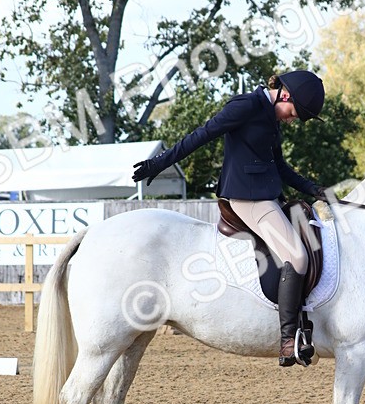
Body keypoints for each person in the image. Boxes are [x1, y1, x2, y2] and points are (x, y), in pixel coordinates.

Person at [133, 70, 328, 367]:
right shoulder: (246, 106)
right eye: (295, 113)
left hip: (268, 196)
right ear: (285, 95)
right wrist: (159, 163)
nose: (293, 120)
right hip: (246, 198)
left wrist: (312, 188)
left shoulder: (272, 121)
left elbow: (280, 167)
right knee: (298, 258)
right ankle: (288, 340)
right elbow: (202, 135)